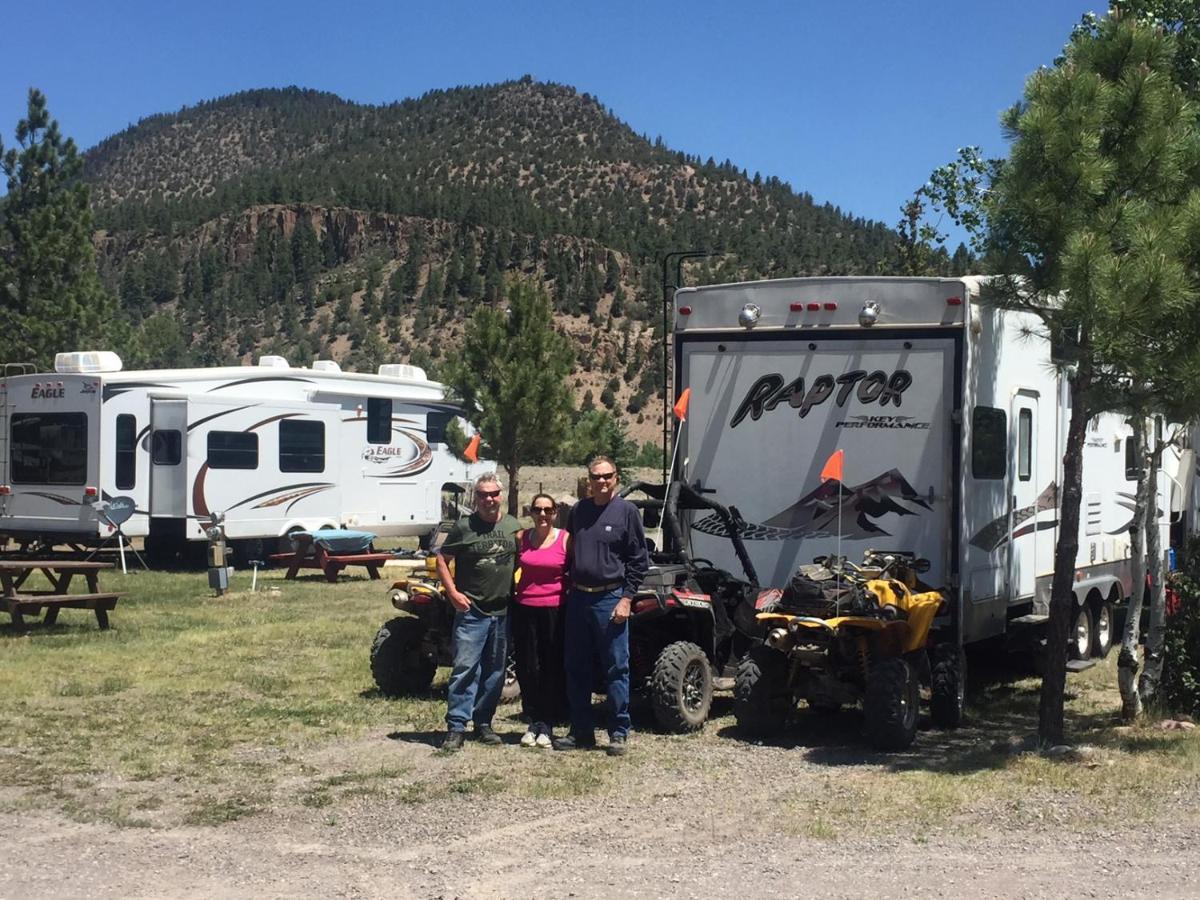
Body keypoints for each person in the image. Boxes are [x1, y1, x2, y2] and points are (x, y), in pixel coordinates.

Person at [555, 455, 649, 756]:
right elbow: (568, 555)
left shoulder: (627, 512)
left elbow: (639, 560)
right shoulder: (579, 512)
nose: (602, 481)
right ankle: (581, 732)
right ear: (589, 480)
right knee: (576, 668)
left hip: (611, 598)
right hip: (579, 598)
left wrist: (626, 599)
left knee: (615, 668)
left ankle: (619, 732)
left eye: (607, 476)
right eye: (596, 477)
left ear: (616, 477)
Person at [436, 472, 521, 751]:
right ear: (476, 498)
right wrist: (453, 593)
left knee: (495, 672)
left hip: (502, 611)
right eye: (483, 494)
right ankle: (456, 727)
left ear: (501, 495)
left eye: (494, 493)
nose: (489, 499)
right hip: (472, 611)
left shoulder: (512, 526)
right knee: (465, 669)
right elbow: (442, 559)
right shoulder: (463, 527)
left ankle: (483, 722)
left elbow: (524, 559)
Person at [512, 493, 570, 748]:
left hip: (554, 610)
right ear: (531, 512)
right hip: (525, 608)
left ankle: (547, 723)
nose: (543, 515)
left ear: (555, 513)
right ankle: (532, 720)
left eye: (548, 510)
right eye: (538, 510)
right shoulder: (521, 538)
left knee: (550, 666)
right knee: (527, 666)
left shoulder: (566, 540)